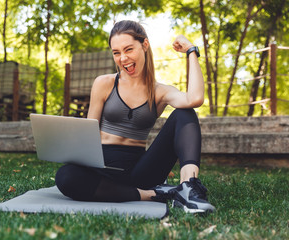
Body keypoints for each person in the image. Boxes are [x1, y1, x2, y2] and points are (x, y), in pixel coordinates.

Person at [55, 20, 215, 214]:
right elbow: (89, 131)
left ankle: (189, 187)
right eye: (116, 53)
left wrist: (191, 50)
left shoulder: (159, 91)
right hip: (101, 168)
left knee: (185, 113)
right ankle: (150, 195)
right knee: (66, 177)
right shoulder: (104, 83)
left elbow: (195, 98)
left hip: (140, 171)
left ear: (144, 45)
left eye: (128, 49)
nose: (123, 58)